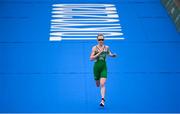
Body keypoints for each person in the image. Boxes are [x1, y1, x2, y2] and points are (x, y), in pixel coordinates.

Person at [90, 33, 117, 107]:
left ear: (104, 40)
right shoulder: (94, 48)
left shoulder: (106, 47)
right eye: (99, 40)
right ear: (97, 40)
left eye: (102, 39)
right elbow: (91, 59)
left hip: (104, 67)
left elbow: (109, 53)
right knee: (97, 84)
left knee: (102, 84)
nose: (101, 41)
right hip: (96, 68)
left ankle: (102, 100)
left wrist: (113, 55)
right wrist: (99, 53)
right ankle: (97, 81)